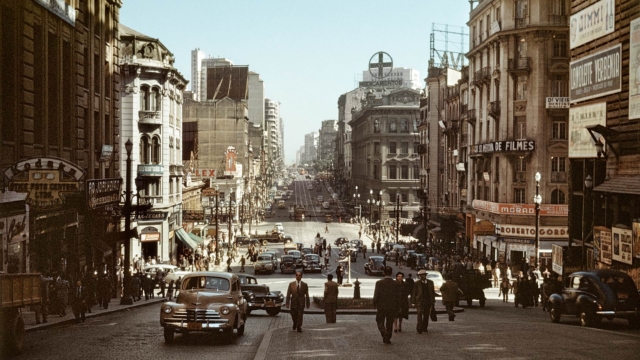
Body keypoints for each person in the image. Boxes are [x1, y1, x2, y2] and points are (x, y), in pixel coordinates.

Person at [372, 266, 400, 344]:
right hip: (392, 306)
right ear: (391, 273)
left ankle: (384, 332)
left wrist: (374, 303)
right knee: (389, 322)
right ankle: (387, 337)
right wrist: (397, 306)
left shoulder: (379, 283)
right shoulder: (396, 283)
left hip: (381, 306)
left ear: (384, 273)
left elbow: (376, 294)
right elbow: (398, 296)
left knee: (379, 320)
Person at [413, 269, 435, 334]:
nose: (422, 276)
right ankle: (419, 327)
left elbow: (432, 292)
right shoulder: (417, 283)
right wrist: (413, 302)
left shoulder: (430, 282)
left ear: (425, 275)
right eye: (420, 275)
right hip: (420, 301)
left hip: (428, 301)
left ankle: (424, 327)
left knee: (426, 315)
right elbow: (414, 292)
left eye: (423, 275)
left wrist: (433, 300)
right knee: (419, 313)